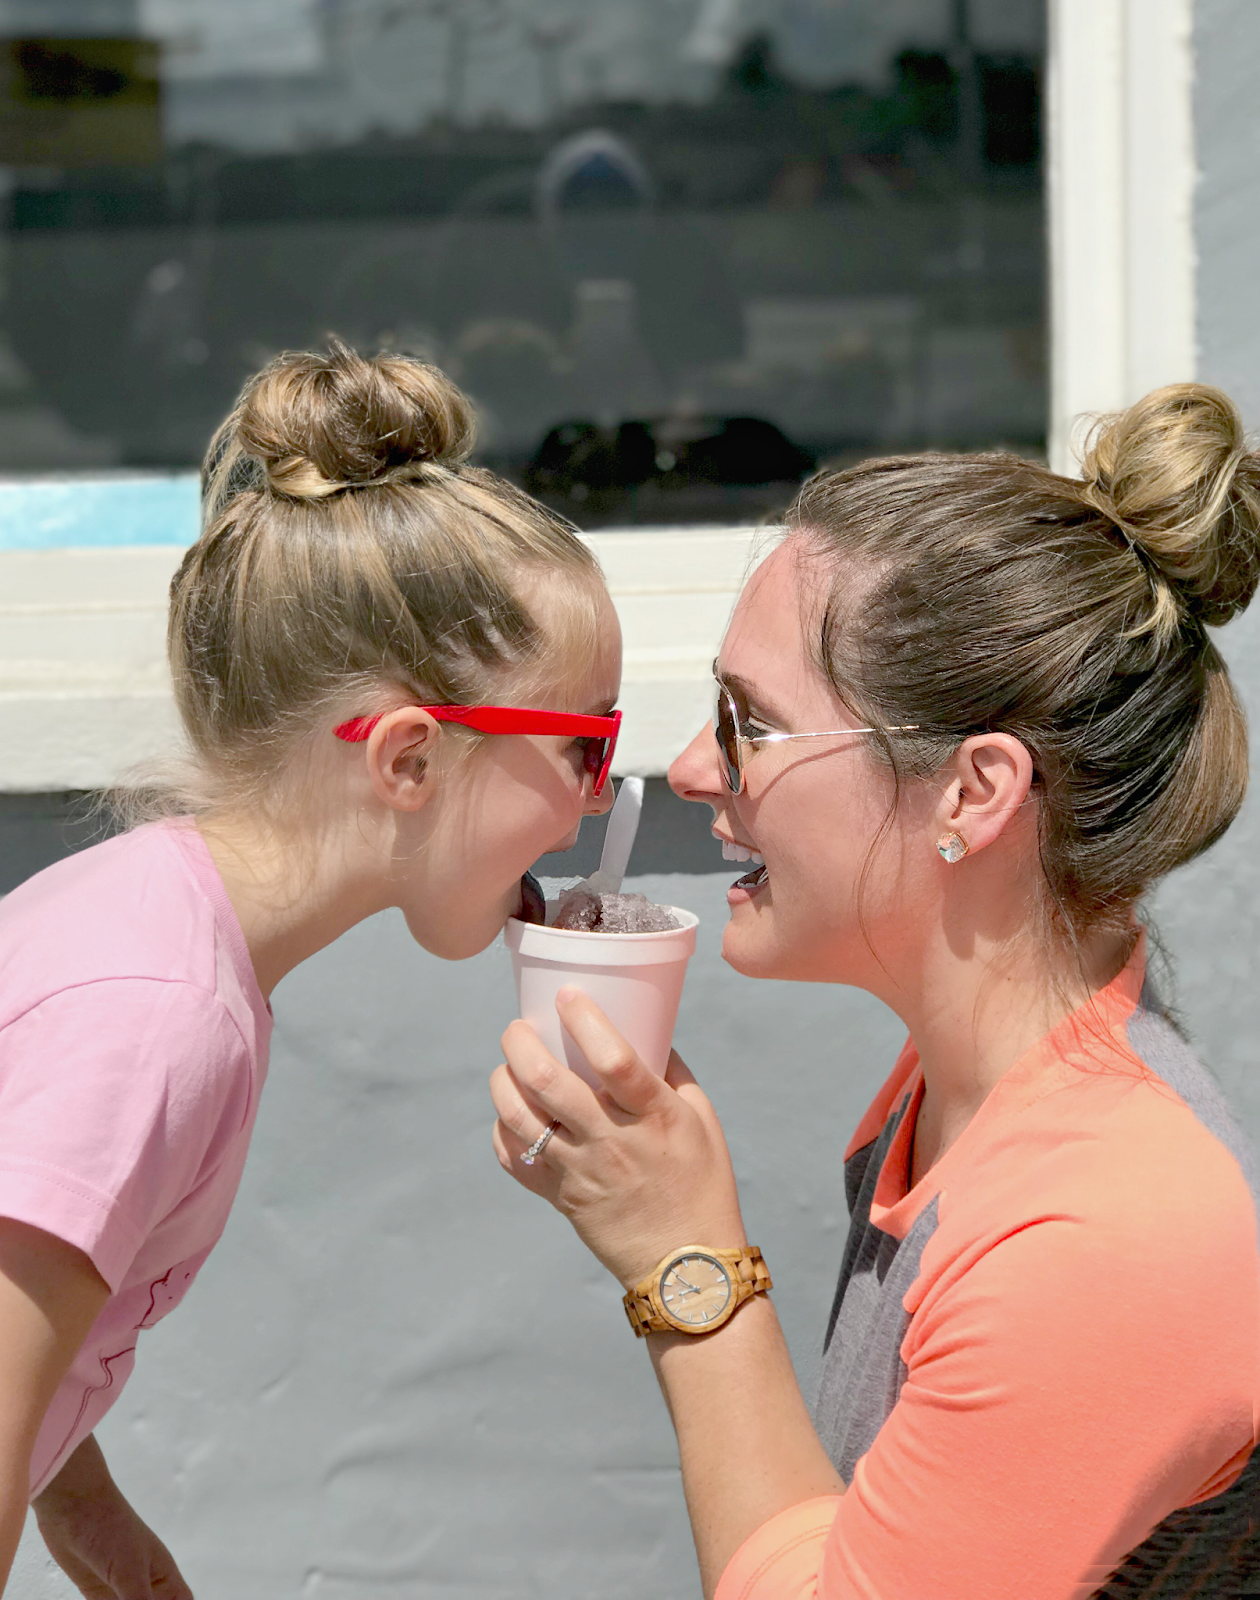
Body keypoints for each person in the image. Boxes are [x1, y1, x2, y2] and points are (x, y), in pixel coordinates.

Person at [492, 383, 1260, 1598]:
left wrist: (685, 1257)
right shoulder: (950, 1101)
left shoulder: (1098, 1235)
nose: (692, 767)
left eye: (748, 724)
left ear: (974, 792)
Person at [0, 341, 621, 1597]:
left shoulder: (153, 925)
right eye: (584, 750)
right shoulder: (159, 1015)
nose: (592, 805)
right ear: (408, 760)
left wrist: (91, 1517)